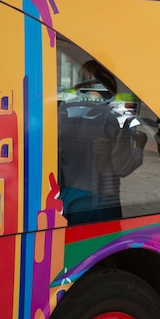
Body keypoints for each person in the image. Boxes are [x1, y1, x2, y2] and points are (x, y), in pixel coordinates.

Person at [58, 60, 149, 224]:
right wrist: (139, 148)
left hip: (65, 196)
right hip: (99, 201)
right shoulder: (114, 116)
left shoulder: (64, 111)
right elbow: (123, 168)